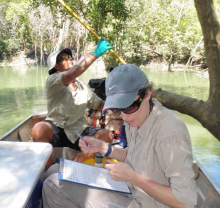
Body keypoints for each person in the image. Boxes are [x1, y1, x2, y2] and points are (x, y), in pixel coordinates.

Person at [42, 64, 197, 208]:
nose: (124, 117)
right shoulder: (137, 117)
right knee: (54, 170)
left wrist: (133, 178)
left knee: (52, 185)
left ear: (148, 94)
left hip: (146, 201)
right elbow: (138, 156)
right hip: (129, 188)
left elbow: (185, 202)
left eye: (129, 106)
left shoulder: (170, 132)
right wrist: (104, 149)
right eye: (117, 109)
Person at [31, 38, 114, 167]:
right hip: (56, 127)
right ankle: (47, 171)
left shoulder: (82, 86)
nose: (69, 58)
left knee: (107, 135)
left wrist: (119, 102)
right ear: (56, 66)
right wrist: (96, 53)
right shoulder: (52, 80)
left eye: (69, 56)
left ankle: (77, 162)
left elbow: (98, 105)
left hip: (78, 130)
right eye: (63, 57)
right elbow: (71, 74)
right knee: (38, 129)